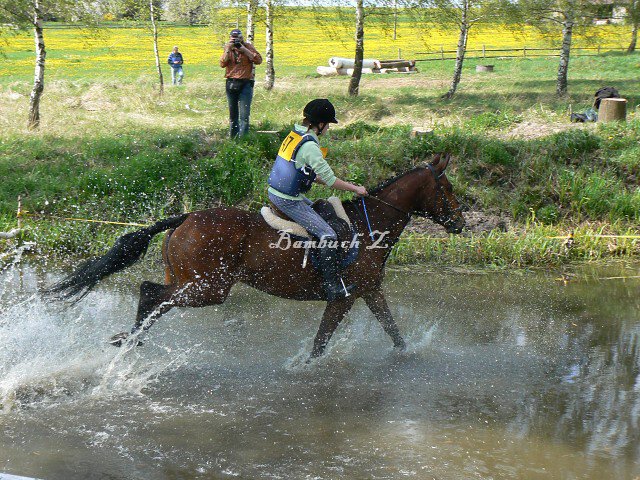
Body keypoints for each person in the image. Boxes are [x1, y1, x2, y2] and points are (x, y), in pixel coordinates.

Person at [267, 99, 368, 301]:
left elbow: (311, 174)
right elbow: (330, 180)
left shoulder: (295, 135)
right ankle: (332, 287)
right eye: (328, 124)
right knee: (328, 235)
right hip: (288, 199)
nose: (329, 129)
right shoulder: (310, 146)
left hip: (276, 191)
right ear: (320, 124)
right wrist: (356, 188)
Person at [220, 29, 262, 138]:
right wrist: (228, 50)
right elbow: (222, 63)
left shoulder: (247, 47)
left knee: (244, 115)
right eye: (233, 39)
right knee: (233, 115)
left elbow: (258, 60)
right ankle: (233, 139)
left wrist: (244, 50)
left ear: (241, 38)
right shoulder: (228, 47)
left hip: (245, 84)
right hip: (231, 83)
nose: (235, 41)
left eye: (237, 38)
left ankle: (244, 140)